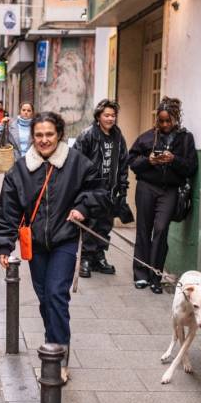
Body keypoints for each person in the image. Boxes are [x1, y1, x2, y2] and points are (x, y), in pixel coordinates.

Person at [0, 111, 108, 383]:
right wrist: (4, 246)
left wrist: (81, 208)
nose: (44, 140)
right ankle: (52, 341)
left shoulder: (77, 163)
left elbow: (98, 192)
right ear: (32, 137)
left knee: (56, 294)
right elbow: (8, 209)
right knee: (45, 298)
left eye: (49, 135)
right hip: (36, 244)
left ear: (59, 135)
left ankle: (58, 355)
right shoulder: (20, 170)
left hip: (65, 239)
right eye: (39, 135)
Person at [128, 96, 198, 294]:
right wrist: (149, 160)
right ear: (157, 119)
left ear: (176, 119)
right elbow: (132, 162)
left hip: (169, 190)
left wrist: (174, 159)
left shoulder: (186, 139)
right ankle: (141, 275)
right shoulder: (147, 137)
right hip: (147, 187)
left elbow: (191, 167)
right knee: (143, 229)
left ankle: (155, 276)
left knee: (160, 229)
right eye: (161, 120)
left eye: (169, 121)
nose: (165, 124)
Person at [72, 99, 133, 278]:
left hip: (110, 190)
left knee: (105, 225)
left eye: (113, 115)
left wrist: (122, 188)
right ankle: (85, 258)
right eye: (106, 115)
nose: (110, 118)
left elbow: (123, 163)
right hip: (91, 190)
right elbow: (76, 162)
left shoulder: (118, 137)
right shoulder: (87, 135)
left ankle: (99, 257)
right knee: (90, 224)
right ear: (98, 116)